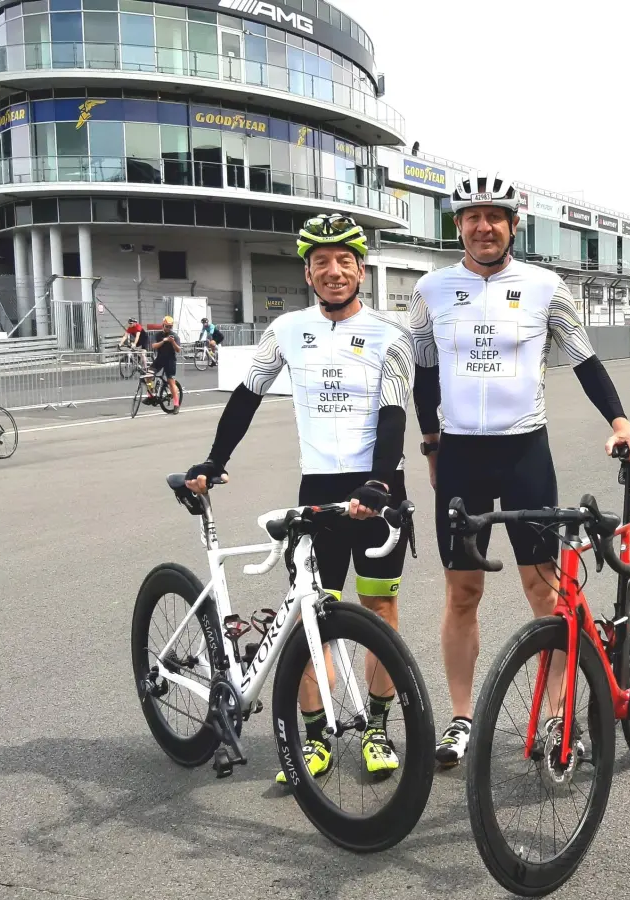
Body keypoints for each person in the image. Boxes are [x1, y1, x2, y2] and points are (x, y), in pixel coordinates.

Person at [408, 172, 630, 767]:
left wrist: (621, 423)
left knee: (545, 594)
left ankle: (555, 712)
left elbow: (586, 362)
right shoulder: (431, 290)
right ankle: (463, 719)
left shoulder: (546, 287)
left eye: (495, 216)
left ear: (514, 225)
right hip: (463, 458)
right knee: (461, 592)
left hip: (524, 455)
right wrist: (433, 445)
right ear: (458, 225)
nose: (483, 226)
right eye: (472, 216)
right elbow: (423, 372)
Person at [184, 213, 414, 782]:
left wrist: (380, 482)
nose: (333, 272)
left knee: (380, 612)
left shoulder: (392, 334)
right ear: (308, 271)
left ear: (361, 268)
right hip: (319, 488)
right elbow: (247, 394)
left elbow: (393, 412)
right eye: (321, 262)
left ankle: (378, 729)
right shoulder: (286, 329)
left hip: (377, 485)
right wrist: (217, 460)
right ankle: (313, 738)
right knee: (312, 611)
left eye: (344, 261)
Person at [149, 316, 182, 411]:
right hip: (160, 359)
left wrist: (172, 342)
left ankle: (176, 404)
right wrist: (163, 341)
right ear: (163, 325)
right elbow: (154, 346)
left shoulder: (174, 336)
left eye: (170, 327)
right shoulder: (158, 335)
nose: (168, 328)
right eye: (166, 326)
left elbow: (178, 350)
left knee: (171, 381)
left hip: (170, 360)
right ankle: (151, 395)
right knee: (148, 375)